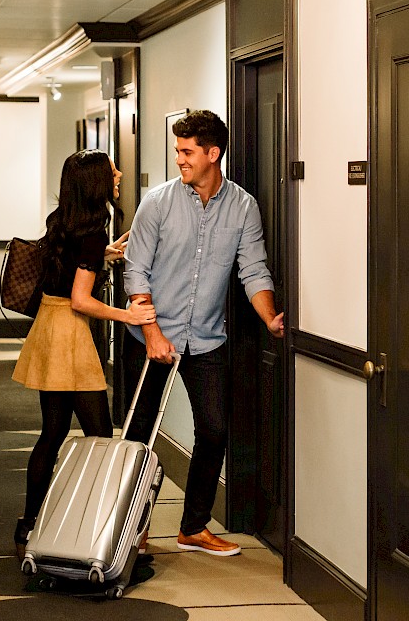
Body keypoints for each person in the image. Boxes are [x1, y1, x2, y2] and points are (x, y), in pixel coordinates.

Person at [123, 110, 284, 557]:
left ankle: (193, 526)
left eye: (187, 151)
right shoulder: (157, 203)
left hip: (207, 338)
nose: (180, 159)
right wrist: (153, 332)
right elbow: (136, 274)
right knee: (140, 435)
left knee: (214, 431)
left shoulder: (243, 207)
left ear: (214, 154)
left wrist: (269, 318)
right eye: (178, 151)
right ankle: (130, 530)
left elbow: (253, 269)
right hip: (151, 337)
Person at [11, 149, 157, 556]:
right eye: (112, 170)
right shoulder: (91, 233)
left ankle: (28, 526)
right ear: (97, 182)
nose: (120, 173)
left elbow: (71, 270)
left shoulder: (65, 221)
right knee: (100, 436)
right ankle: (94, 529)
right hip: (70, 335)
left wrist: (107, 253)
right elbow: (80, 299)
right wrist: (127, 316)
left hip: (47, 327)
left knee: (52, 433)